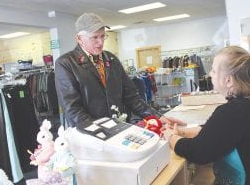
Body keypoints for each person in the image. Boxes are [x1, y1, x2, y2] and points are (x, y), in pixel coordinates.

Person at [163, 46, 250, 184]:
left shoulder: (234, 111)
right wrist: (182, 131)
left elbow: (198, 152)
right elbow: (218, 133)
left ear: (229, 80)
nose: (210, 74)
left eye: (214, 70)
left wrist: (171, 137)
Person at [55, 12, 184, 127]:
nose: (100, 42)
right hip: (93, 137)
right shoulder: (66, 64)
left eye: (102, 36)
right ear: (79, 38)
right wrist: (98, 133)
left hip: (120, 127)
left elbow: (131, 97)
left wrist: (158, 117)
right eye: (95, 37)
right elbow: (73, 109)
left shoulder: (110, 59)